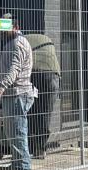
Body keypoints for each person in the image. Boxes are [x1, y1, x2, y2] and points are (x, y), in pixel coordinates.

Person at [0, 15, 38, 170]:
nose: (3, 31)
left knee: (18, 131)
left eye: (6, 27)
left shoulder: (18, 43)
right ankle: (16, 164)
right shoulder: (12, 42)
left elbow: (15, 68)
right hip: (13, 93)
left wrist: (2, 85)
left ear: (15, 26)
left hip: (18, 93)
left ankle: (23, 168)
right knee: (12, 132)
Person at [23, 30, 61, 158]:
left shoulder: (18, 42)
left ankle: (33, 148)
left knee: (32, 112)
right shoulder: (42, 38)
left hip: (37, 74)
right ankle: (40, 148)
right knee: (45, 113)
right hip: (54, 75)